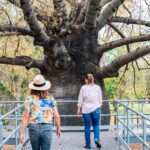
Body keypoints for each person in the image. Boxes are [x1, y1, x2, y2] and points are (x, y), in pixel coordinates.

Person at [19, 74, 61, 150]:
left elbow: (26, 117)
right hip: (47, 128)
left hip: (33, 128)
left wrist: (22, 133)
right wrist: (58, 129)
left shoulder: (29, 99)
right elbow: (57, 116)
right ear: (45, 88)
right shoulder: (51, 99)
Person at [77, 73, 102, 149]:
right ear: (93, 79)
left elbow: (80, 99)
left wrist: (78, 109)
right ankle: (97, 139)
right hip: (96, 108)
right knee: (96, 125)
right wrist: (98, 106)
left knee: (87, 127)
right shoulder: (97, 87)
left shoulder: (83, 88)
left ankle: (88, 145)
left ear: (86, 80)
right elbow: (100, 99)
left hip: (86, 109)